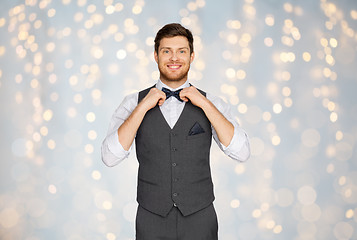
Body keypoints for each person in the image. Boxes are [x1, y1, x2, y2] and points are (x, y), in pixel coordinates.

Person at [101, 23, 250, 240]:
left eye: (181, 51)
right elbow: (109, 157)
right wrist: (143, 107)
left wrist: (205, 104)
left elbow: (242, 152)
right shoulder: (132, 102)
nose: (174, 58)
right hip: (151, 219)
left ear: (192, 56)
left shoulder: (212, 102)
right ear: (155, 55)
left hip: (200, 218)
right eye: (166, 51)